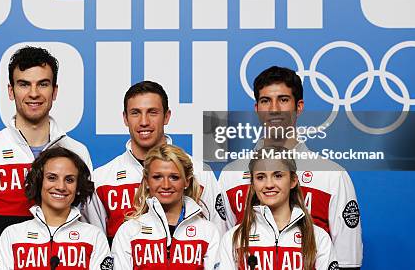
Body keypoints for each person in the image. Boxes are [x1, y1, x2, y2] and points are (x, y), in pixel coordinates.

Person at [0, 46, 93, 270]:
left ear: (54, 91)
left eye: (43, 84)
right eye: (24, 84)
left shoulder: (77, 152)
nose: (33, 93)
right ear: (11, 90)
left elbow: (89, 226)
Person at [218, 66, 362, 269]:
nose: (274, 109)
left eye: (283, 100)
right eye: (265, 101)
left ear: (299, 107)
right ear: (257, 108)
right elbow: (220, 253)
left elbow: (348, 262)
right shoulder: (230, 175)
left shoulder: (333, 176)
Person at [86, 81, 226, 245]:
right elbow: (96, 247)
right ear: (125, 118)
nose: (144, 121)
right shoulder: (102, 179)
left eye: (152, 112)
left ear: (166, 116)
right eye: (135, 113)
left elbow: (219, 242)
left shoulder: (199, 173)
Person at [217, 146, 337, 270]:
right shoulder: (233, 239)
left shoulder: (319, 238)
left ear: (293, 181)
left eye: (278, 176)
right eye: (260, 177)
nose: (269, 184)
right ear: (252, 184)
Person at [0, 147, 110, 270]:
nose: (61, 186)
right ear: (39, 182)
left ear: (78, 187)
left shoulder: (94, 236)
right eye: (52, 178)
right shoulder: (12, 235)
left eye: (69, 180)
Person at [111, 144, 220, 269]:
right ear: (146, 181)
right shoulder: (129, 231)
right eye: (157, 177)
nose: (166, 185)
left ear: (186, 182)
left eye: (174, 177)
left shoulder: (208, 232)